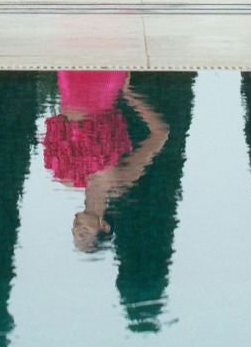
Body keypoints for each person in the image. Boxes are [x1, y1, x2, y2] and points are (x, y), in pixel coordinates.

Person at [41, 71, 170, 251]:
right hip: (105, 83)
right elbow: (160, 133)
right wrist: (130, 95)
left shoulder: (65, 177)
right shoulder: (119, 181)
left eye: (74, 233)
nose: (76, 229)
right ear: (105, 226)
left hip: (69, 78)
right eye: (84, 234)